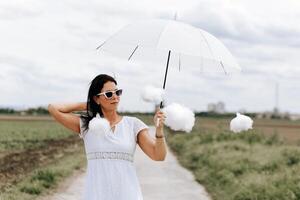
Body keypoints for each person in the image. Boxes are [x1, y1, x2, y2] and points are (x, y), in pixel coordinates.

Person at [48, 74, 167, 200]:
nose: (115, 97)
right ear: (96, 99)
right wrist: (88, 105)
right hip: (96, 195)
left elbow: (158, 155)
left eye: (117, 92)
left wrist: (159, 130)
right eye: (109, 94)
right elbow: (53, 108)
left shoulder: (133, 124)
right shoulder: (86, 125)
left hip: (128, 194)